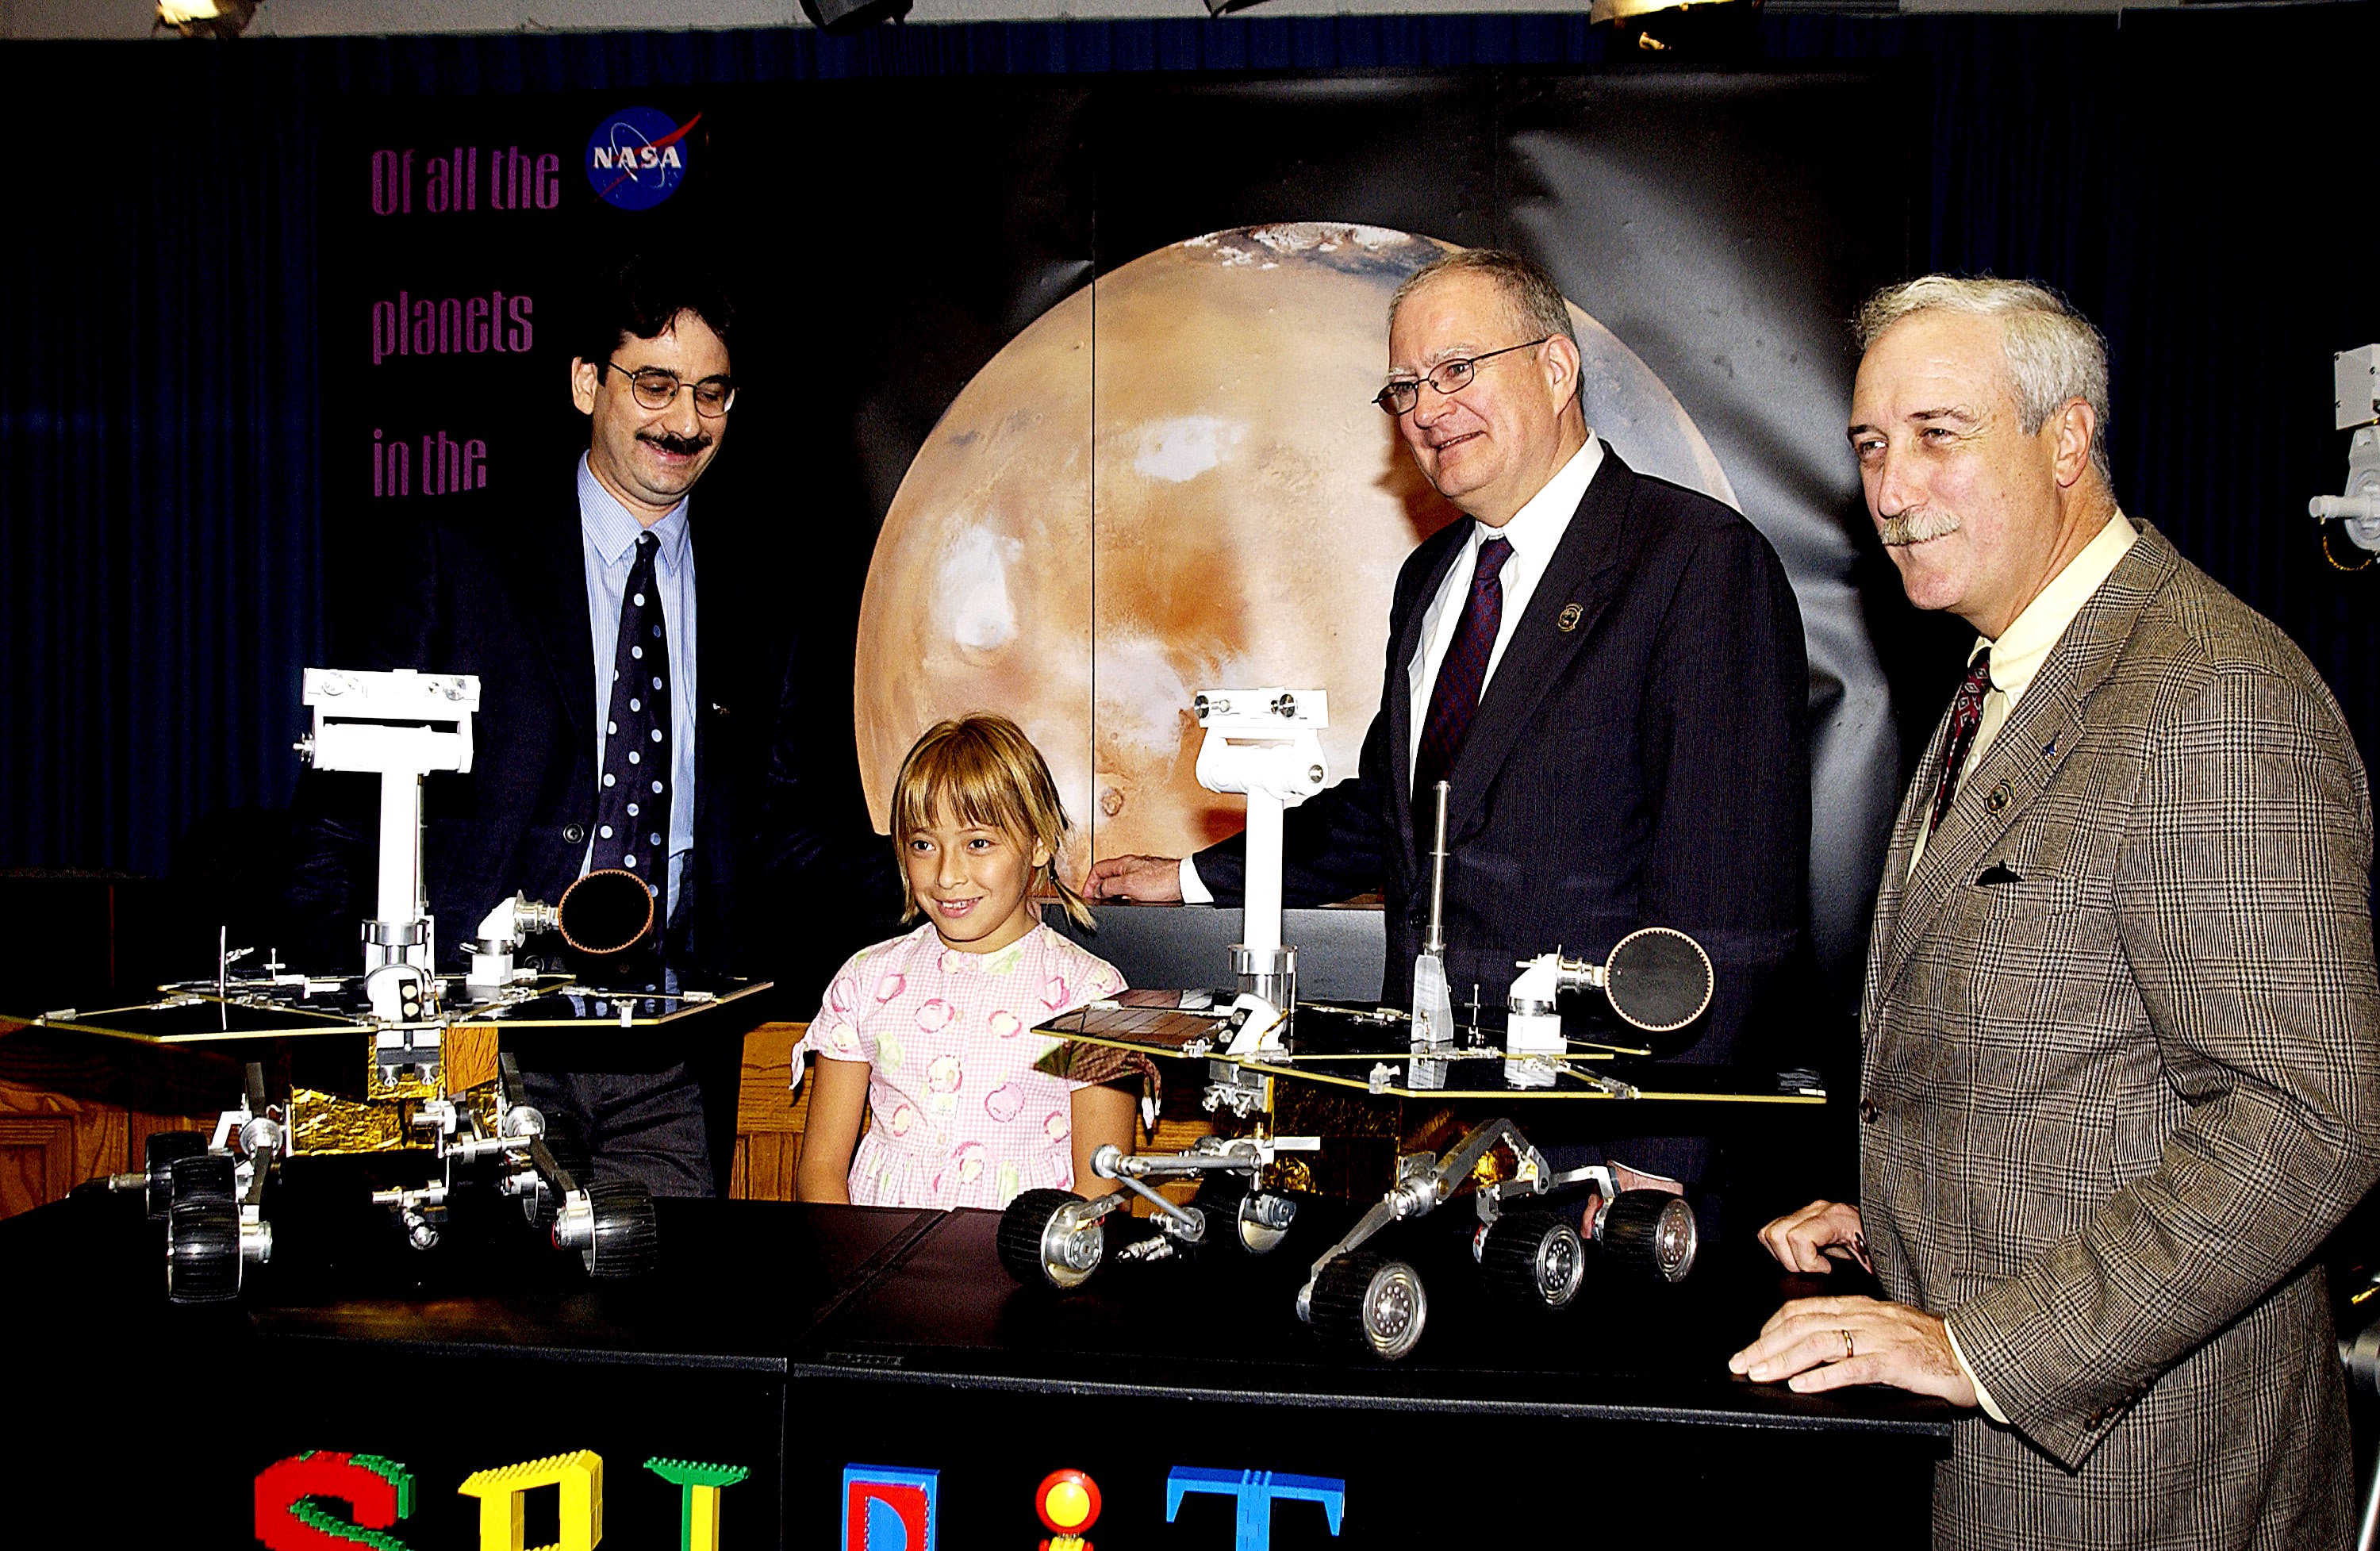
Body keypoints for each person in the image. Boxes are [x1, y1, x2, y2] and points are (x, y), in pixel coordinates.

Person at [1729, 275, 2380, 1547]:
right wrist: (1906, 1213)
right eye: (1870, 445)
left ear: (2068, 438)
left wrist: (1980, 1345)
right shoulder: (2006, 674)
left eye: (1937, 435)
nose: (1893, 490)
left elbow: (2306, 1121)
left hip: (2145, 1477)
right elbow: (2079, 1055)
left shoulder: (2212, 693)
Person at [1086, 248, 1809, 1188]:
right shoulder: (1431, 582)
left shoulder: (1696, 563)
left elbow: (1730, 907)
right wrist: (1187, 875)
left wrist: (1654, 1161)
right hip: (1439, 1138)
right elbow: (1396, 813)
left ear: (1556, 368)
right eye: (1404, 386)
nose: (1427, 408)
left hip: (1607, 1144)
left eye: (1458, 369)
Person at [286, 255, 763, 1198]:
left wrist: (1004, 867)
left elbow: (782, 831)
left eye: (711, 393)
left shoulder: (760, 593)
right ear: (588, 381)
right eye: (655, 385)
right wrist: (347, 1013)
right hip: (476, 1036)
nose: (684, 422)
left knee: (662, 1324)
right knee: (474, 1318)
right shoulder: (457, 556)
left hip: (665, 1053)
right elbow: (337, 813)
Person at [794, 714, 1138, 1209]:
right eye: (923, 845)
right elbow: (820, 1171)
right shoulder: (867, 980)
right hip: (881, 1261)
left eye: (978, 843)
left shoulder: (1091, 996)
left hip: (1024, 1264)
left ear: (1038, 843)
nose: (947, 875)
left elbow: (1101, 1194)